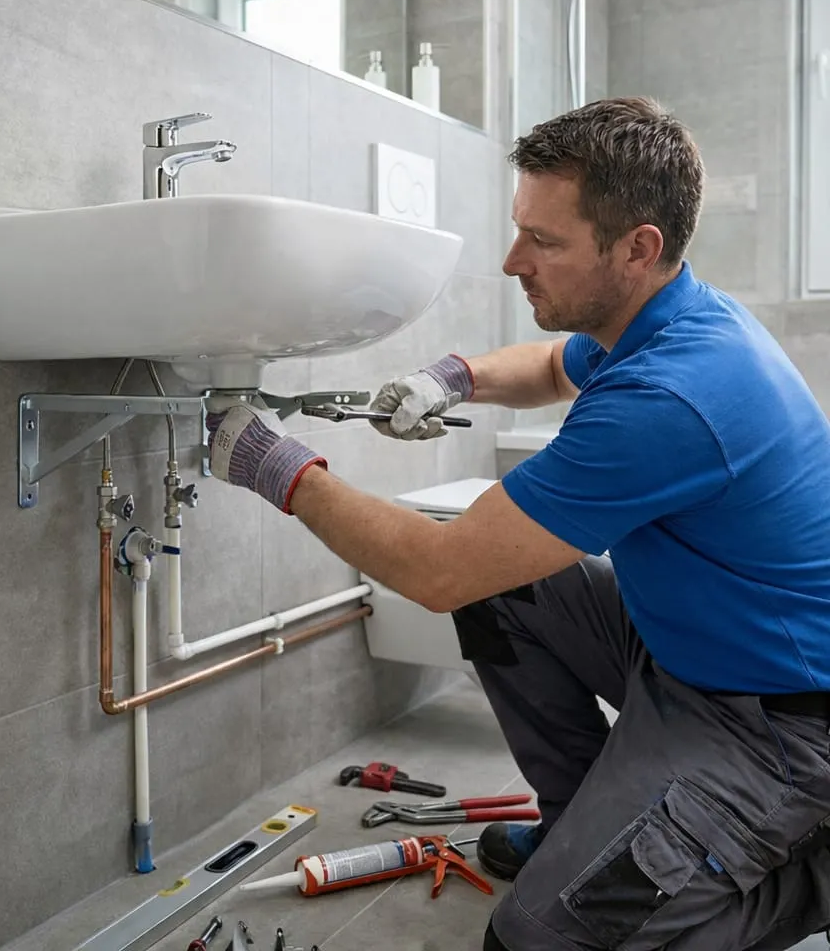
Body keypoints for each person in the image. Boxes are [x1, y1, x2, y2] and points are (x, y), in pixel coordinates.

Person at [205, 97, 830, 950]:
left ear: (637, 247)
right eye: (519, 230)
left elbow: (438, 571)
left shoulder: (671, 395)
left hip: (776, 723)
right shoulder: (660, 318)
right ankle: (582, 820)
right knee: (509, 592)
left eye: (544, 241)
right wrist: (450, 377)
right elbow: (546, 364)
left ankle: (804, 872)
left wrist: (278, 469)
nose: (511, 261)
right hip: (686, 649)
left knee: (538, 940)